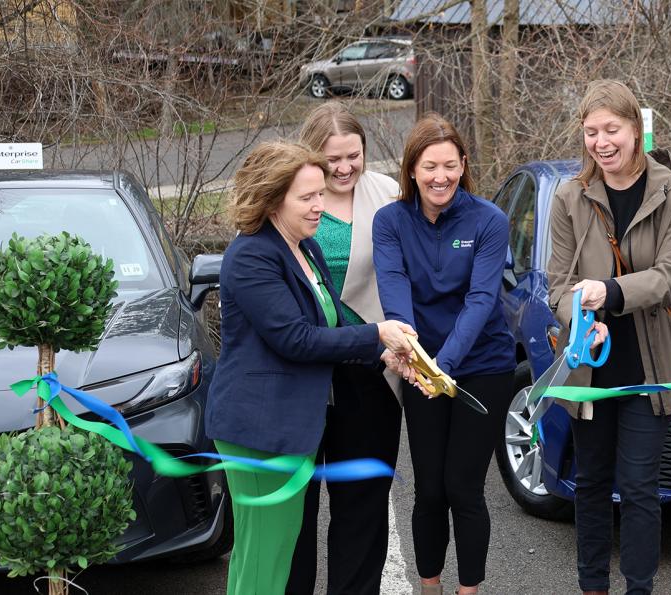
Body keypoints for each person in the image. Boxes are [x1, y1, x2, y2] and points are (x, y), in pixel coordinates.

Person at [206, 141, 416, 595]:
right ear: (272, 198)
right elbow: (295, 338)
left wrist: (383, 355)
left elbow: (332, 322)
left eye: (321, 194)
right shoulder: (251, 255)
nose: (321, 205)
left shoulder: (305, 246)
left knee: (272, 554)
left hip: (288, 427)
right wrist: (378, 333)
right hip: (258, 431)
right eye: (307, 197)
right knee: (263, 558)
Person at [546, 79, 671, 595]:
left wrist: (608, 292)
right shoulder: (568, 196)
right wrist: (578, 316)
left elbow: (670, 277)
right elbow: (555, 287)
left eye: (612, 129)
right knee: (591, 485)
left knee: (640, 489)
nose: (602, 142)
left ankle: (639, 588)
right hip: (589, 366)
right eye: (592, 131)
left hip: (648, 367)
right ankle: (591, 587)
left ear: (635, 130)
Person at [372, 113, 516, 595]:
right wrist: (412, 354)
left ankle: (468, 590)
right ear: (411, 168)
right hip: (421, 366)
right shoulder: (390, 221)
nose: (441, 177)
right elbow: (394, 287)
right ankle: (429, 585)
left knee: (464, 488)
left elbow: (480, 300)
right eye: (430, 166)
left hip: (482, 366)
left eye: (450, 166)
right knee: (430, 489)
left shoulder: (488, 221)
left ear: (463, 165)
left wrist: (442, 366)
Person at [286, 102, 404, 595]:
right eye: (331, 158)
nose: (343, 168)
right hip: (300, 370)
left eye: (352, 155)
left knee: (363, 508)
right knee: (295, 510)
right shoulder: (287, 197)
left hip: (369, 367)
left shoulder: (389, 193)